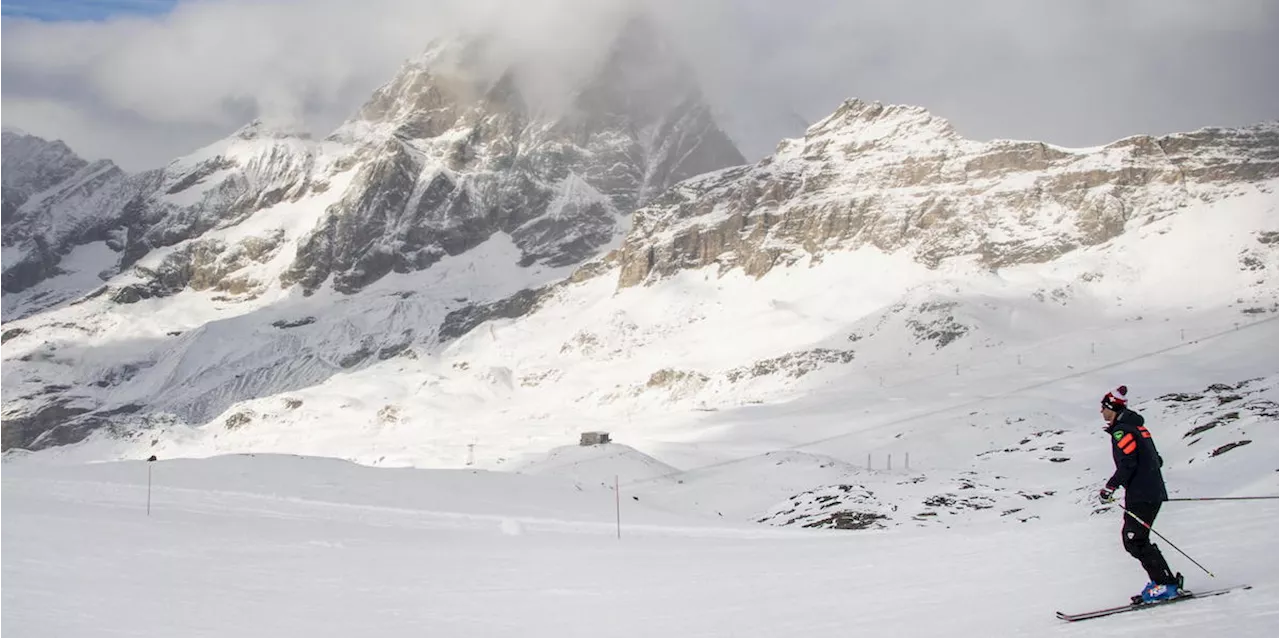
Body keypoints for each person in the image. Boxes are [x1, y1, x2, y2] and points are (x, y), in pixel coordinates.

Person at [1096, 385, 1182, 603]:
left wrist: (1110, 487)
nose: (1101, 412)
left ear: (1111, 408)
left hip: (1142, 494)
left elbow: (1128, 464)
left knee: (1134, 540)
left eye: (1103, 408)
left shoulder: (1122, 430)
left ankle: (1165, 584)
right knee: (1136, 539)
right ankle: (1163, 581)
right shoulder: (1137, 428)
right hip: (1149, 491)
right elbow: (1157, 459)